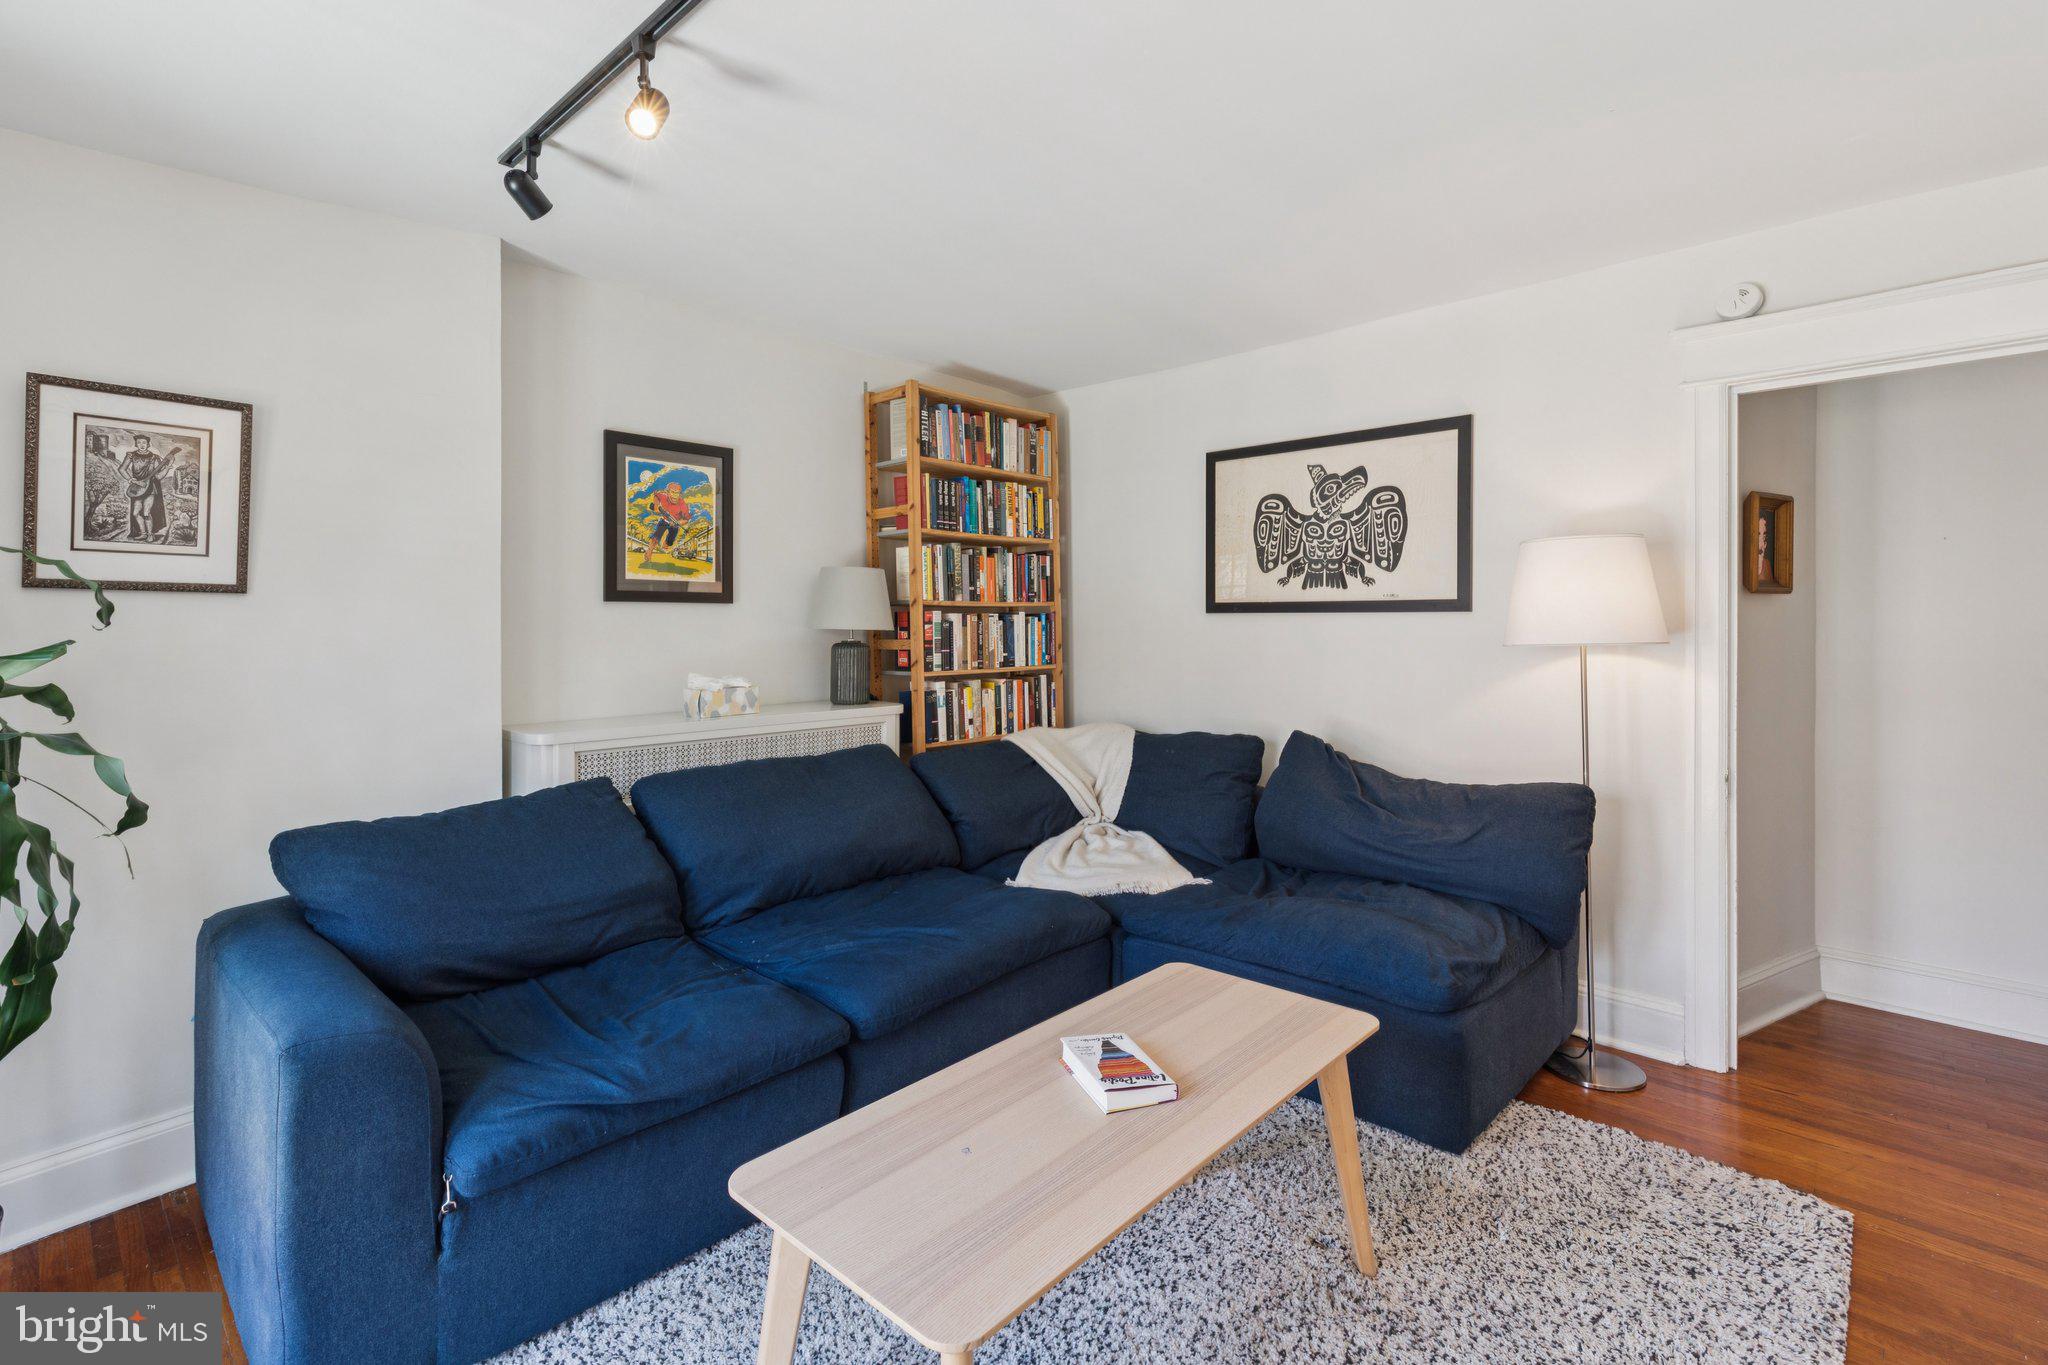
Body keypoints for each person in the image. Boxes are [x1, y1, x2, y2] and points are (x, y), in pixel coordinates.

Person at [115, 435, 172, 543]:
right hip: (137, 488)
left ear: (148, 444)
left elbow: (159, 476)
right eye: (139, 442)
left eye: (144, 443)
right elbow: (122, 469)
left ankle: (150, 535)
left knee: (146, 513)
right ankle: (143, 533)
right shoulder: (131, 456)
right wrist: (133, 480)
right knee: (135, 513)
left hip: (150, 487)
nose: (142, 445)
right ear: (136, 444)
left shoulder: (154, 457)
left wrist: (167, 469)